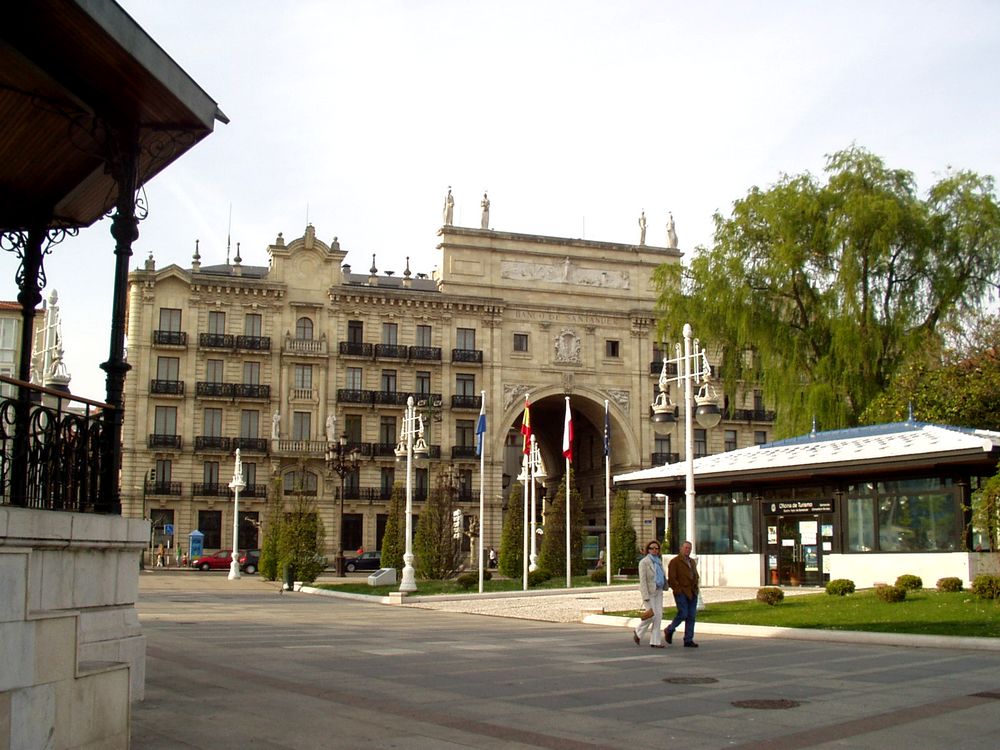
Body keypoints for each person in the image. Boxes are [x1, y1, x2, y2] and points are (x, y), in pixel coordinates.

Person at [664, 540, 700, 647]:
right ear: (681, 548)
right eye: (686, 548)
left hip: (692, 592)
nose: (688, 550)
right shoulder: (675, 562)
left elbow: (695, 575)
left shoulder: (692, 562)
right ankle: (670, 629)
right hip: (682, 592)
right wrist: (678, 590)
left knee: (691, 616)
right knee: (683, 613)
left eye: (689, 548)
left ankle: (688, 639)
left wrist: (696, 588)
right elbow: (672, 578)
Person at [632, 540, 666, 648]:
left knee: (658, 616)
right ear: (648, 550)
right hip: (649, 592)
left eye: (656, 548)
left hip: (658, 590)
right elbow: (643, 581)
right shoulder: (644, 562)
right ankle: (638, 631)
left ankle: (655, 642)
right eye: (652, 548)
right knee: (651, 615)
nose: (654, 550)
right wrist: (645, 596)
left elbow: (662, 575)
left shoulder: (659, 561)